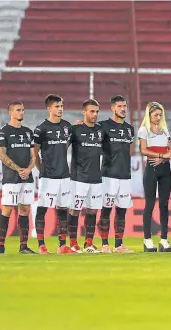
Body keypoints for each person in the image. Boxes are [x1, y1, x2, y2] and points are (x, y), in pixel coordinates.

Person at [33, 94, 74, 254]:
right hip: (48, 176)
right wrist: (42, 169)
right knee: (43, 208)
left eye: (62, 106)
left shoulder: (67, 127)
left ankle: (62, 245)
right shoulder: (41, 128)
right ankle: (41, 245)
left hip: (64, 175)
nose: (60, 109)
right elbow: (34, 153)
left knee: (62, 210)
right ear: (49, 108)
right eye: (57, 106)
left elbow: (67, 145)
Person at [0, 102, 37, 254]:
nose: (22, 112)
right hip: (11, 177)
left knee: (25, 209)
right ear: (10, 113)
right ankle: (0, 247)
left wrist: (28, 169)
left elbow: (34, 155)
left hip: (26, 177)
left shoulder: (28, 132)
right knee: (7, 209)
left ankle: (24, 246)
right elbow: (1, 154)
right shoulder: (4, 131)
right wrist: (18, 169)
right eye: (18, 110)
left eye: (23, 110)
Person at [97, 95, 134, 253]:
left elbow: (128, 150)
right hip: (108, 174)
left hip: (125, 174)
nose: (123, 109)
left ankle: (119, 244)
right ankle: (105, 244)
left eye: (124, 106)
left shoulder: (129, 129)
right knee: (106, 209)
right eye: (119, 106)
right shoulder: (103, 126)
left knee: (122, 210)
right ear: (112, 108)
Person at [67, 99, 104, 253]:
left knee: (92, 210)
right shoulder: (75, 129)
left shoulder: (101, 130)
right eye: (91, 111)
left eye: (96, 112)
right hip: (78, 177)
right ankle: (73, 243)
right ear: (84, 112)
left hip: (96, 177)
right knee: (74, 210)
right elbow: (63, 148)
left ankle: (88, 243)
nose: (95, 114)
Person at [138, 102, 171, 252]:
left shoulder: (165, 130)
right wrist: (161, 155)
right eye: (155, 115)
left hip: (165, 168)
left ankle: (164, 239)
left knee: (164, 204)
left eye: (160, 115)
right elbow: (143, 150)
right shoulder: (143, 130)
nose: (158, 118)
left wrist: (165, 157)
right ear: (149, 115)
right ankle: (147, 240)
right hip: (152, 168)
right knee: (150, 204)